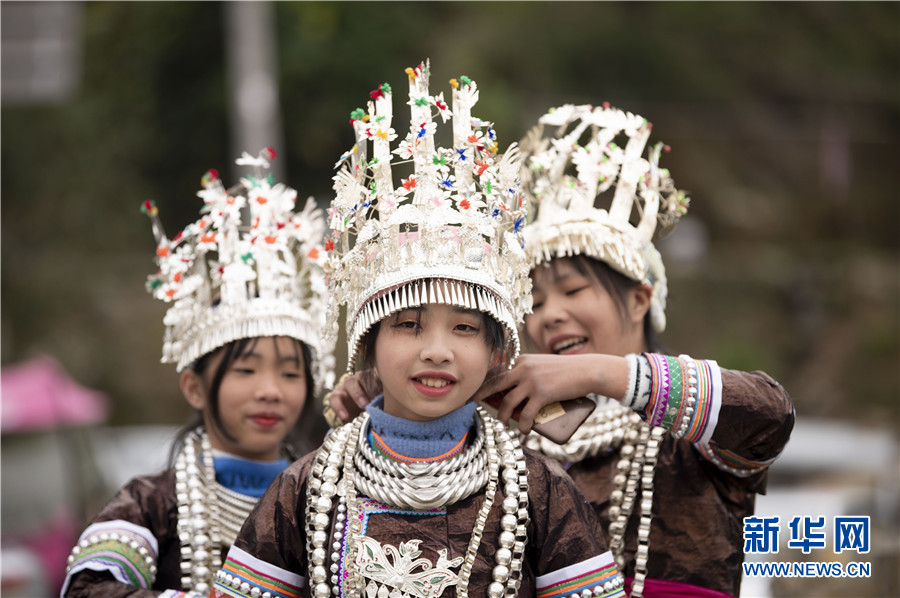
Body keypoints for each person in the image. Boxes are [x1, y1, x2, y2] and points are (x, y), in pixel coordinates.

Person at [328, 104, 795, 598]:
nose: (549, 315)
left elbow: (771, 415)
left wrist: (599, 374)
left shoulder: (686, 434)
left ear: (639, 299)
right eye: (535, 300)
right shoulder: (505, 437)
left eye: (572, 292)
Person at [209, 62, 626, 598]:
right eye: (408, 324)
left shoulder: (539, 489)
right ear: (370, 344)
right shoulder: (308, 488)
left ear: (498, 351)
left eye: (465, 329)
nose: (437, 351)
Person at [61, 149, 334, 597]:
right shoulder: (153, 503)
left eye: (289, 374)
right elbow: (89, 588)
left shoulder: (327, 497)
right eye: (246, 370)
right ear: (194, 386)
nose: (270, 391)